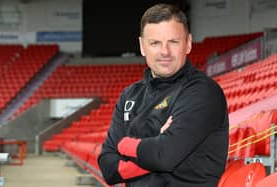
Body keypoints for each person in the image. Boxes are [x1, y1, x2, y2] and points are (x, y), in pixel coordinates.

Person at [98, 3, 229, 187]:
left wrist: (125, 145)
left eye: (173, 42)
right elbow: (108, 169)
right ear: (142, 47)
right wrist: (154, 144)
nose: (165, 52)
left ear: (188, 43)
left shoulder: (203, 92)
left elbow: (163, 157)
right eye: (155, 43)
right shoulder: (130, 96)